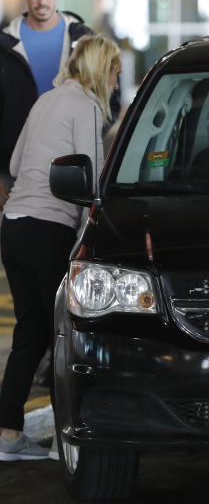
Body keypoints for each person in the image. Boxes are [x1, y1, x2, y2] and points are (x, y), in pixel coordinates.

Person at [0, 34, 120, 460]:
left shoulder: (44, 101)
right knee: (65, 335)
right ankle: (65, 442)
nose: (117, 80)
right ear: (99, 69)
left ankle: (9, 434)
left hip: (14, 226)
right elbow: (90, 183)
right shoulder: (85, 106)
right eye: (114, 70)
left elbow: (14, 166)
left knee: (30, 334)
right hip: (49, 230)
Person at [0, 0, 114, 203]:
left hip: (71, 165)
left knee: (69, 237)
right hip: (13, 168)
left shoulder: (83, 41)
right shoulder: (4, 45)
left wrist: (86, 137)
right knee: (18, 235)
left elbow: (110, 98)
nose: (42, 1)